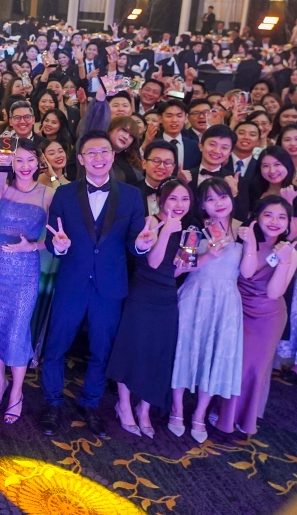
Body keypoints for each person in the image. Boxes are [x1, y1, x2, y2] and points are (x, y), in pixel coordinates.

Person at [39, 130, 156, 438]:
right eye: (91, 153)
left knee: (101, 350)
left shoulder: (131, 196)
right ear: (81, 159)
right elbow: (54, 242)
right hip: (72, 282)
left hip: (110, 285)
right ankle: (52, 403)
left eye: (104, 151)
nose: (99, 158)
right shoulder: (63, 194)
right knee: (56, 346)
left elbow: (134, 244)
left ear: (112, 155)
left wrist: (143, 244)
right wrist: (60, 246)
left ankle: (90, 404)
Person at [107, 179, 192, 438]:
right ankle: (124, 405)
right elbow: (153, 262)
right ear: (162, 200)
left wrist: (203, 257)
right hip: (142, 293)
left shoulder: (189, 231)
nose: (179, 205)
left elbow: (177, 270)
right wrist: (165, 230)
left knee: (158, 354)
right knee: (132, 349)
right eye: (173, 199)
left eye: (185, 199)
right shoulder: (151, 222)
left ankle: (144, 409)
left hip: (167, 297)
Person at [0, 137, 54, 424]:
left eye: (30, 160)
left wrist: (31, 246)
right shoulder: (0, 188)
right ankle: (0, 382)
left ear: (39, 162)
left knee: (17, 329)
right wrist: (2, 157)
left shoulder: (49, 195)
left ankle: (17, 392)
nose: (24, 166)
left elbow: (55, 240)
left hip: (25, 270)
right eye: (18, 160)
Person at [212, 197, 297, 435]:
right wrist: (250, 245)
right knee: (231, 362)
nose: (274, 222)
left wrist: (285, 260)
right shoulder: (242, 239)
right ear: (257, 216)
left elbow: (274, 292)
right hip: (237, 307)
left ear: (288, 223)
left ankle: (240, 418)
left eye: (282, 217)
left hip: (268, 317)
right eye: (268, 215)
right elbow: (247, 273)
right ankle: (220, 408)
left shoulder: (290, 251)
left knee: (253, 368)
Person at [169, 178, 244, 442]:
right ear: (202, 205)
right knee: (184, 350)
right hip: (195, 295)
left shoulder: (242, 231)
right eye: (210, 199)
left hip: (226, 302)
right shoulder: (194, 232)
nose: (218, 203)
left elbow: (247, 272)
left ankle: (199, 414)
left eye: (222, 196)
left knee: (215, 354)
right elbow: (178, 269)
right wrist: (207, 255)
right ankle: (177, 408)